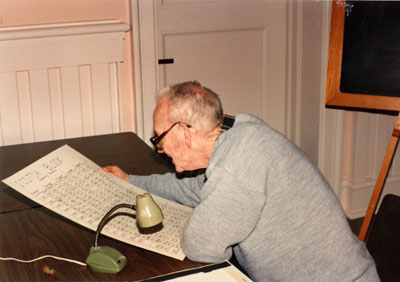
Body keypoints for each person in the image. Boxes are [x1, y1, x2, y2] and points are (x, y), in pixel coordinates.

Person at [103, 81, 379, 282]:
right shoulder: (237, 134)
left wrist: (203, 221)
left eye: (159, 139)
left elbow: (201, 246)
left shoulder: (239, 162)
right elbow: (192, 189)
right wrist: (131, 180)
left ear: (184, 134)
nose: (160, 150)